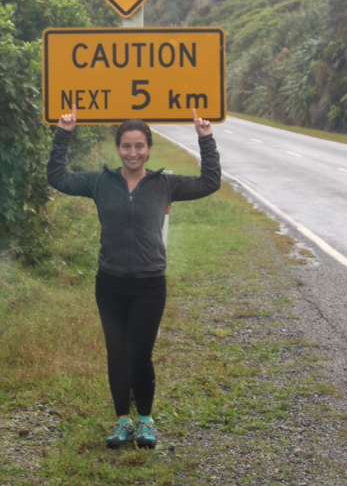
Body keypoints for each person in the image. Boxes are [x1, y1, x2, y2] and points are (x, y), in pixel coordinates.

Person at [47, 106, 221, 449]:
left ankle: (145, 420)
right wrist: (63, 133)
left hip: (149, 284)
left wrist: (206, 139)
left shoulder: (163, 184)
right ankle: (122, 422)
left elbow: (209, 182)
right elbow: (58, 177)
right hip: (109, 282)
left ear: (149, 149)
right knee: (116, 353)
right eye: (126, 146)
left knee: (138, 354)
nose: (133, 153)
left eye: (139, 146)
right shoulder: (100, 181)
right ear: (118, 148)